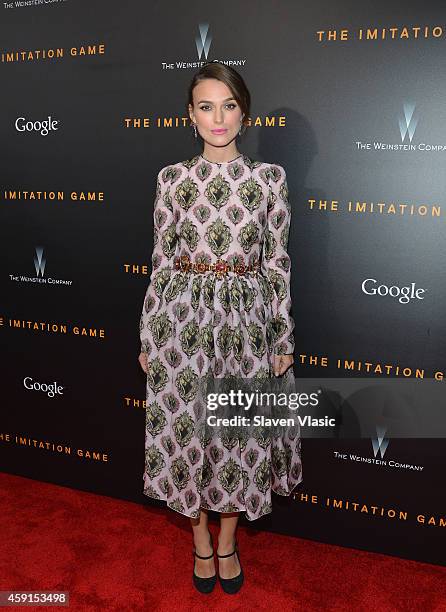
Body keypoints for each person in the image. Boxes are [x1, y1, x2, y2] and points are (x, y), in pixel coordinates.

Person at [138, 62, 303, 595]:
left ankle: (228, 541)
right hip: (181, 323)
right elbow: (162, 262)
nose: (218, 117)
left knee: (236, 437)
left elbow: (277, 263)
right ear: (190, 115)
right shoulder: (172, 180)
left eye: (228, 105)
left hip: (246, 323)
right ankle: (200, 542)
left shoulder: (268, 180)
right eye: (206, 106)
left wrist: (282, 337)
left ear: (244, 113)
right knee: (189, 434)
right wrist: (148, 335)